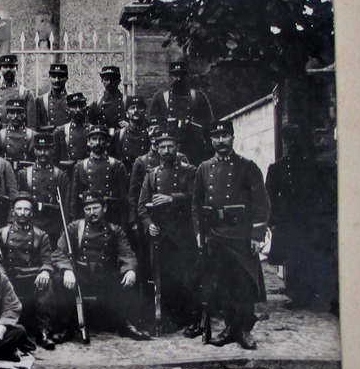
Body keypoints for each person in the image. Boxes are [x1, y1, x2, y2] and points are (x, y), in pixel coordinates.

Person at [192, 119, 271, 349]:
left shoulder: (247, 167)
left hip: (241, 236)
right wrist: (199, 232)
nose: (220, 141)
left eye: (225, 135)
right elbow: (196, 204)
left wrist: (257, 235)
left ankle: (244, 329)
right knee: (223, 284)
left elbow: (261, 204)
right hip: (216, 235)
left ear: (233, 138)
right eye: (216, 137)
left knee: (244, 283)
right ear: (210, 140)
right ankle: (230, 327)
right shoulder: (204, 168)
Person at [58, 190, 152, 341]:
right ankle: (67, 326)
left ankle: (125, 324)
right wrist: (67, 270)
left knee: (127, 278)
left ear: (104, 208)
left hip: (104, 276)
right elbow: (59, 253)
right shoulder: (74, 228)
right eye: (87, 209)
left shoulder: (115, 230)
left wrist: (130, 270)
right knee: (58, 278)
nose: (92, 212)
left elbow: (127, 254)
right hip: (81, 275)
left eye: (95, 208)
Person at [264, 125, 337, 313]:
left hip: (310, 221)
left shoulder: (315, 167)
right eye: (288, 141)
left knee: (312, 258)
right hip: (288, 222)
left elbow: (324, 194)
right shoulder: (278, 168)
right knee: (293, 258)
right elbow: (270, 197)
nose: (291, 145)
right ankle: (296, 296)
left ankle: (316, 297)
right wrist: (272, 220)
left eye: (294, 141)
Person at [139, 127, 203, 336]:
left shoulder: (189, 171)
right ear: (157, 149)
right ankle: (168, 319)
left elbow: (195, 197)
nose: (166, 150)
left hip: (183, 234)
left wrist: (172, 198)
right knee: (164, 279)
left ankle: (191, 319)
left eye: (170, 146)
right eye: (162, 147)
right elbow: (141, 206)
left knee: (187, 278)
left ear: (177, 148)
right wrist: (149, 224)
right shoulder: (151, 175)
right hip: (162, 235)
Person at [0, 194, 67, 349]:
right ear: (13, 211)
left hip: (31, 277)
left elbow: (47, 260)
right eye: (19, 209)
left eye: (26, 209)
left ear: (32, 212)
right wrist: (1, 274)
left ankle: (44, 331)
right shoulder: (2, 233)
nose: (22, 212)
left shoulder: (41, 235)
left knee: (47, 283)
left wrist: (45, 272)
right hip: (10, 277)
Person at [148, 59, 216, 165]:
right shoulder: (160, 97)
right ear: (169, 77)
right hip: (167, 150)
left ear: (187, 77)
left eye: (182, 75)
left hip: (194, 150)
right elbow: (151, 124)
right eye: (175, 75)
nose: (178, 79)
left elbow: (209, 125)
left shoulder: (198, 97)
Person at [70, 124, 130, 225]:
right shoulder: (80, 166)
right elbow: (74, 200)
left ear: (108, 142)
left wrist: (124, 223)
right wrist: (74, 220)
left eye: (101, 139)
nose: (97, 143)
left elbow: (124, 198)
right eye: (94, 139)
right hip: (88, 217)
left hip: (111, 217)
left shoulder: (116, 165)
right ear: (88, 142)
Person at [16, 131, 73, 235]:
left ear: (53, 150)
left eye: (46, 149)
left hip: (53, 226)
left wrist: (64, 231)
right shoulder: (24, 174)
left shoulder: (60, 176)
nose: (42, 153)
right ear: (34, 150)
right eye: (39, 149)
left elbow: (66, 207)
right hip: (31, 225)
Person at [0, 52, 34, 126]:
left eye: (12, 66)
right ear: (0, 68)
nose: (8, 69)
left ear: (17, 68)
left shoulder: (26, 94)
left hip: (19, 136)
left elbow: (31, 126)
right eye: (5, 67)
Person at [54, 92, 93, 169]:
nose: (78, 110)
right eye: (74, 106)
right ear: (68, 109)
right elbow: (55, 159)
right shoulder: (61, 131)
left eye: (81, 106)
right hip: (68, 173)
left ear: (86, 108)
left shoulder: (92, 130)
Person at [31, 61, 72, 130]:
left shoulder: (72, 99)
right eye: (53, 76)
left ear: (66, 78)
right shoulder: (40, 100)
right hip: (48, 138)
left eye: (60, 77)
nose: (56, 80)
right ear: (49, 78)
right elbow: (35, 125)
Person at [115, 94, 154, 166]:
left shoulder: (150, 133)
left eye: (139, 108)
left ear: (145, 112)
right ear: (127, 114)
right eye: (132, 108)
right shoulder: (120, 134)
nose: (136, 110)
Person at [0, 97, 35, 165]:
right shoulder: (0, 135)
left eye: (19, 112)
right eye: (12, 113)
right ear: (7, 115)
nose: (15, 116)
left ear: (24, 115)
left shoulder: (32, 135)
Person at [87, 64, 128, 129]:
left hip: (120, 136)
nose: (109, 82)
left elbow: (139, 122)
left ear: (119, 81)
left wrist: (129, 125)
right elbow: (90, 125)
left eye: (113, 79)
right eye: (106, 79)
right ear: (102, 81)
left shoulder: (126, 101)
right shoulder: (97, 103)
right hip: (104, 137)